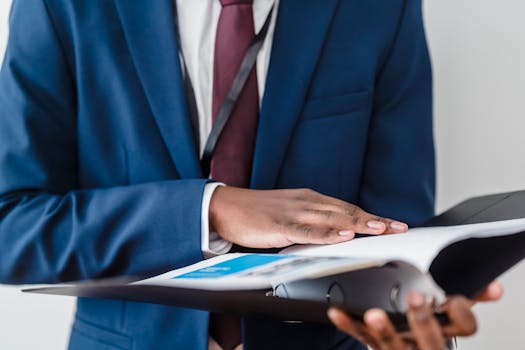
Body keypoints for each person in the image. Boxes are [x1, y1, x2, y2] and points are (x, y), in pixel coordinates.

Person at [0, 0, 502, 349]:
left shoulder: (380, 9)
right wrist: (211, 210)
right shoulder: (59, 7)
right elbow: (9, 227)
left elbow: (397, 234)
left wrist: (411, 312)